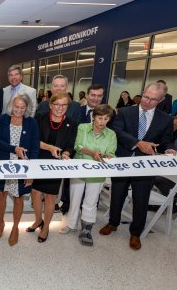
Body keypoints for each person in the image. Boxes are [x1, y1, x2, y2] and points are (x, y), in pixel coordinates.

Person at [100, 83, 173, 251]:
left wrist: (168, 148)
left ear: (161, 100)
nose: (147, 102)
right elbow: (117, 131)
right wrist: (137, 143)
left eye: (153, 99)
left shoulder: (166, 119)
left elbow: (166, 140)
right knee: (117, 194)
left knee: (141, 199)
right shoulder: (125, 112)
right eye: (146, 97)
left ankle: (135, 233)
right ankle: (113, 223)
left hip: (145, 166)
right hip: (123, 161)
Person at [61, 104, 116, 247]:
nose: (102, 121)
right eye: (99, 118)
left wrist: (108, 156)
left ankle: (86, 229)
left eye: (106, 118)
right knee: (74, 198)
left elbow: (111, 152)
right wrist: (92, 153)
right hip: (79, 169)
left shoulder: (111, 134)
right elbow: (77, 146)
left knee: (91, 202)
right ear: (93, 117)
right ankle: (71, 225)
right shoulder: (83, 128)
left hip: (98, 174)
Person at [29, 92, 77, 243]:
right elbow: (32, 140)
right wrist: (49, 147)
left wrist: (67, 153)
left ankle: (46, 227)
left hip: (56, 164)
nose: (60, 108)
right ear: (50, 105)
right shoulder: (40, 117)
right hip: (39, 159)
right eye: (57, 104)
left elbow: (70, 145)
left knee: (50, 197)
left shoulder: (72, 123)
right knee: (35, 193)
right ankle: (38, 220)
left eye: (64, 105)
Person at [0, 94, 40, 246]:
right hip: (3, 164)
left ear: (27, 108)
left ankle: (15, 227)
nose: (19, 110)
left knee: (18, 197)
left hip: (22, 166)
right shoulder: (1, 119)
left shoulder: (31, 123)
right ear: (11, 105)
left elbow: (34, 148)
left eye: (22, 107)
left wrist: (31, 172)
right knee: (1, 194)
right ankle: (1, 222)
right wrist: (14, 149)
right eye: (16, 106)